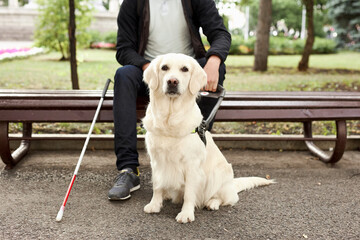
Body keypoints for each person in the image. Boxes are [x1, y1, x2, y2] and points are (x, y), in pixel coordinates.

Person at [108, 0, 231, 200]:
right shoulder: (133, 2)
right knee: (123, 75)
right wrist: (150, 68)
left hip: (185, 73)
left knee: (216, 68)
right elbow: (124, 49)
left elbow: (220, 33)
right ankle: (128, 170)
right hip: (149, 70)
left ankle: (197, 157)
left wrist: (214, 60)